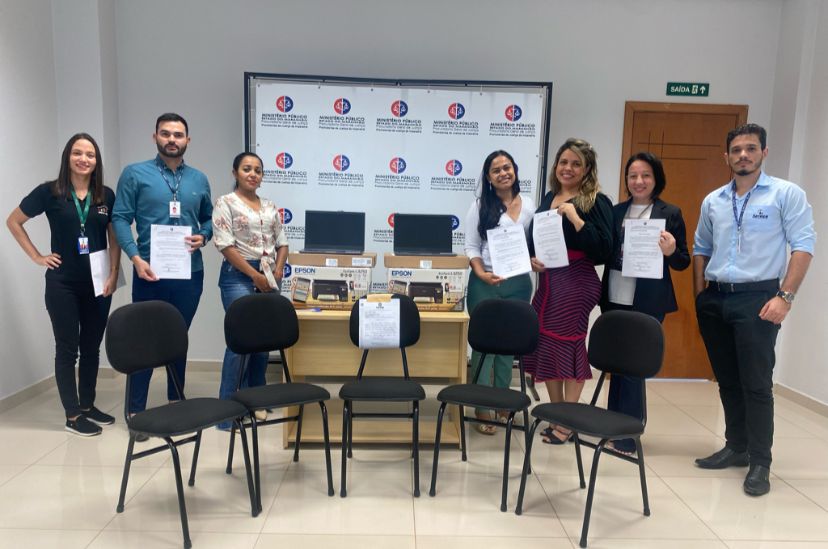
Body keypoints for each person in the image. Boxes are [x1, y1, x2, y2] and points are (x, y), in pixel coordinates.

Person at [693, 123, 814, 496]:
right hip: (716, 298)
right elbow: (701, 248)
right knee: (727, 379)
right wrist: (700, 297)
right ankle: (737, 446)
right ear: (726, 156)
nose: (743, 155)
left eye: (750, 148)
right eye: (736, 150)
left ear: (764, 152)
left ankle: (761, 461)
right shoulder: (714, 200)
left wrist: (785, 297)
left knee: (756, 383)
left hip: (759, 298)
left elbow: (803, 246)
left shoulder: (785, 194)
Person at [7, 133, 121, 436]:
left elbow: (114, 237)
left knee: (92, 347)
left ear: (97, 161)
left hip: (98, 282)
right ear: (67, 157)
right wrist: (37, 256)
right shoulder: (50, 192)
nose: (84, 159)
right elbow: (13, 221)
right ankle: (72, 415)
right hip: (63, 284)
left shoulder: (105, 195)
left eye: (90, 154)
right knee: (68, 348)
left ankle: (87, 405)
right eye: (77, 153)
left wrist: (113, 273)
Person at [112, 113, 213, 431]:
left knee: (177, 337)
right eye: (166, 133)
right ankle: (136, 411)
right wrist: (134, 257)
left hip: (190, 273)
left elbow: (209, 219)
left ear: (188, 140)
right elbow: (120, 217)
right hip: (149, 272)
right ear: (155, 136)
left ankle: (176, 401)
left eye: (178, 135)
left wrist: (204, 236)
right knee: (144, 339)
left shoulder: (199, 179)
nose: (172, 139)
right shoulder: (135, 173)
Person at [599, 151, 690, 454]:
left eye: (645, 175)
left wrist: (671, 250)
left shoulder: (670, 212)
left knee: (633, 367)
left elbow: (683, 261)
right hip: (615, 297)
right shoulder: (616, 211)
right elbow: (604, 250)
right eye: (633, 176)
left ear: (656, 179)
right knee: (616, 364)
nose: (639, 181)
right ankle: (612, 426)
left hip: (648, 301)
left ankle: (628, 434)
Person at [524, 138, 613, 444]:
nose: (568, 168)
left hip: (576, 281)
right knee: (547, 345)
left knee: (569, 346)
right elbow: (536, 237)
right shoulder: (550, 197)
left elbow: (605, 248)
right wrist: (532, 259)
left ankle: (569, 422)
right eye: (564, 162)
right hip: (549, 280)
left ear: (587, 169)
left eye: (576, 164)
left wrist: (576, 218)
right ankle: (556, 415)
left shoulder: (597, 201)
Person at [212, 152, 289, 429]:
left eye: (257, 170)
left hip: (269, 275)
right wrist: (255, 275)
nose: (252, 174)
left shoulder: (269, 206)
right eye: (246, 169)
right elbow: (225, 245)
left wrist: (277, 271)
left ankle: (256, 401)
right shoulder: (225, 203)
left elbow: (282, 243)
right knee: (240, 343)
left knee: (262, 343)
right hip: (239, 276)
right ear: (235, 173)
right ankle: (227, 411)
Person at [463, 150, 535, 434]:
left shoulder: (529, 205)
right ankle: (482, 407)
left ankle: (504, 404)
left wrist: (533, 259)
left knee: (509, 346)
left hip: (519, 283)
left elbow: (532, 244)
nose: (503, 173)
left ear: (514, 169)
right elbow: (471, 246)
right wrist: (481, 272)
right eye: (496, 170)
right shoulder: (480, 206)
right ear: (489, 177)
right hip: (485, 282)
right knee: (485, 348)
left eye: (507, 167)